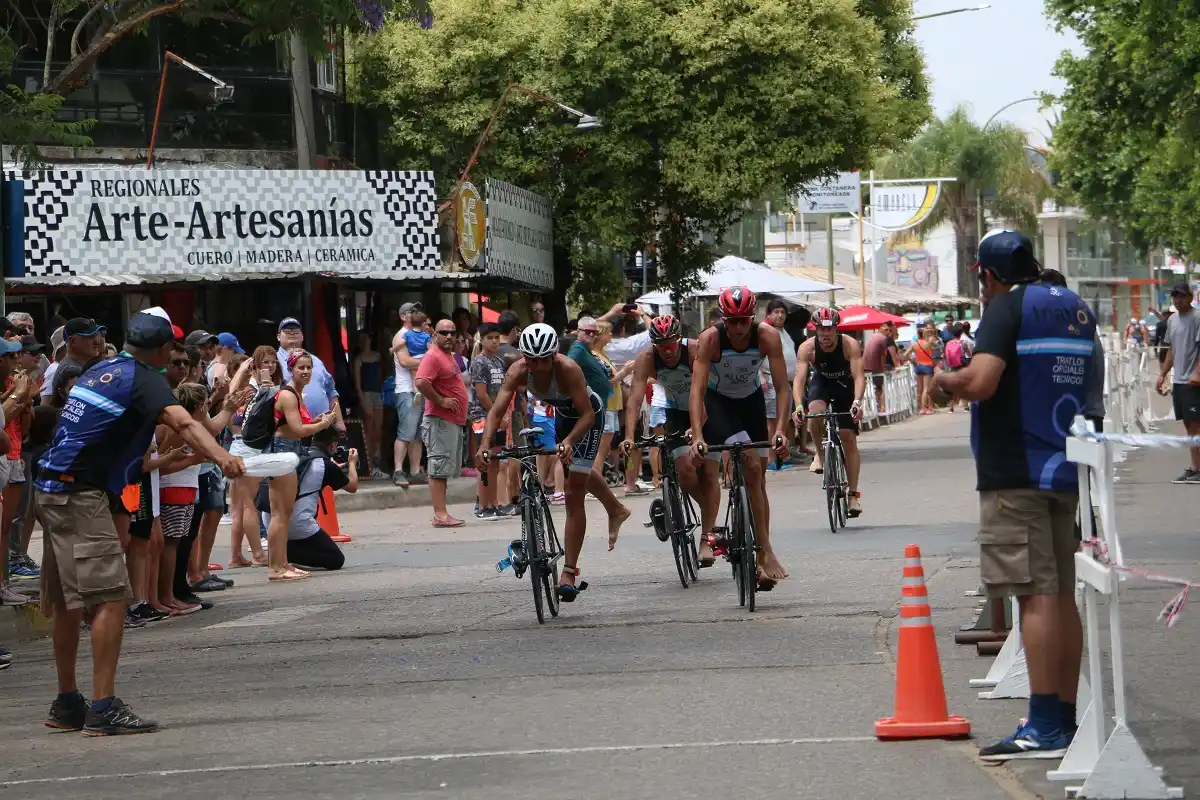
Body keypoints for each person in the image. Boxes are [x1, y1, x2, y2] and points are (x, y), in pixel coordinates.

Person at [36, 308, 245, 736]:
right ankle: (103, 707)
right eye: (175, 353)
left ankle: (67, 702)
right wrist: (223, 457)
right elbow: (184, 421)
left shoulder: (103, 368)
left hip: (51, 489)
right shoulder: (145, 379)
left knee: (65, 600)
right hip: (80, 493)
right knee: (111, 598)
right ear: (164, 350)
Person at [935, 230, 1097, 761]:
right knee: (1061, 595)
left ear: (987, 274)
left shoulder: (1005, 309)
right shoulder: (1074, 307)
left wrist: (945, 379)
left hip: (1015, 471)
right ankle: (1064, 718)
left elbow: (982, 382)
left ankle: (1045, 723)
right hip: (1065, 465)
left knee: (1034, 594)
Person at [474, 323, 630, 600]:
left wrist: (569, 442)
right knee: (577, 473)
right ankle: (615, 508)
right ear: (524, 357)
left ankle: (569, 571)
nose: (539, 366)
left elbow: (587, 415)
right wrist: (484, 444)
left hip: (587, 416)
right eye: (532, 360)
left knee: (573, 489)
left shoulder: (568, 369)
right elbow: (498, 408)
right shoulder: (518, 370)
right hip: (561, 416)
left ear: (554, 355)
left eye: (544, 359)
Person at [688, 287, 791, 588]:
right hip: (718, 403)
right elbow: (696, 390)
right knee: (751, 463)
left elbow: (783, 388)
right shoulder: (710, 339)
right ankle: (760, 549)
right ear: (723, 320)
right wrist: (696, 434)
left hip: (751, 402)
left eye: (744, 320)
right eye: (732, 321)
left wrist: (781, 430)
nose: (738, 328)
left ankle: (762, 554)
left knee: (759, 480)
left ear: (752, 318)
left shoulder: (767, 336)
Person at [265, 351, 339, 580]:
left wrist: (316, 421)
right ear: (291, 370)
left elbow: (297, 425)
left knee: (285, 512)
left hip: (290, 451)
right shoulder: (288, 395)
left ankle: (283, 563)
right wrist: (323, 424)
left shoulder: (296, 394)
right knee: (280, 513)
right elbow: (297, 430)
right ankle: (275, 567)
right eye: (301, 368)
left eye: (309, 368)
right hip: (283, 451)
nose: (306, 372)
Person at [791, 308, 867, 517]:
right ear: (815, 329)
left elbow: (860, 376)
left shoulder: (849, 344)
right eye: (821, 330)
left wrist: (857, 402)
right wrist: (798, 406)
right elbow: (799, 379)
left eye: (829, 329)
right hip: (822, 383)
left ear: (836, 328)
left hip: (845, 386)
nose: (825, 334)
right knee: (814, 412)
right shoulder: (807, 348)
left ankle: (853, 495)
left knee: (847, 437)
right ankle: (820, 453)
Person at [619, 315, 700, 509]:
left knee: (709, 470)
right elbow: (634, 400)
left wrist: (697, 428)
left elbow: (707, 391)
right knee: (684, 469)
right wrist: (629, 436)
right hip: (675, 410)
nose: (667, 350)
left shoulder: (693, 350)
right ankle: (703, 505)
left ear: (679, 340)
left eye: (671, 344)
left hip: (703, 406)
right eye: (660, 345)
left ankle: (708, 519)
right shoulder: (646, 358)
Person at [261, 425, 357, 571]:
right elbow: (352, 486)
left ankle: (279, 552)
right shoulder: (325, 465)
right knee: (336, 559)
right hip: (297, 524)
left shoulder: (297, 455)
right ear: (333, 445)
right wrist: (352, 463)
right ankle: (285, 556)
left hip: (270, 520)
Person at [415, 319, 470, 528]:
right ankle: (440, 515)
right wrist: (441, 400)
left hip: (450, 421)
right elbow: (421, 382)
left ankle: (443, 512)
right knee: (438, 468)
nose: (449, 336)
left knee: (443, 468)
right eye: (443, 332)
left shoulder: (447, 355)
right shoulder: (433, 356)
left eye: (452, 332)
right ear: (434, 335)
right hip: (440, 421)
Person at [226, 347, 278, 568]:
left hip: (241, 448)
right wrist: (246, 371)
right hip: (246, 450)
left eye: (273, 362)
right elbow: (231, 397)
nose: (270, 366)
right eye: (265, 362)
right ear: (254, 366)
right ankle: (257, 553)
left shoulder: (259, 387)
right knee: (248, 504)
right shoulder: (251, 389)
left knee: (239, 507)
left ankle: (236, 556)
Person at [1156, 282, 1200, 484]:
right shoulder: (1172, 320)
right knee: (1188, 426)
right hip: (1180, 381)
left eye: (1181, 296)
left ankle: (1196, 469)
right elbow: (1172, 350)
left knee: (1195, 427)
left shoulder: (1198, 318)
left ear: (1190, 297)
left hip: (1194, 382)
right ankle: (1195, 467)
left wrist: (1198, 373)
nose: (1178, 299)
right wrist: (1163, 374)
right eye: (1175, 296)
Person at [276, 317, 344, 446]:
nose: (292, 332)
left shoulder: (316, 361)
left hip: (323, 431)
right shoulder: (273, 361)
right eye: (287, 330)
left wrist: (339, 422)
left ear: (302, 336)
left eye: (296, 330)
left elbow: (331, 392)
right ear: (279, 337)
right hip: (291, 436)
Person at [468, 323, 507, 519]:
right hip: (482, 416)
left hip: (497, 416)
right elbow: (482, 395)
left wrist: (503, 414)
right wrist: (497, 414)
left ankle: (493, 502)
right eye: (490, 337)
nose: (494, 341)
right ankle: (483, 505)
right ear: (481, 339)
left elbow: (502, 392)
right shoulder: (479, 362)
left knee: (495, 462)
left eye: (497, 337)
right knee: (484, 460)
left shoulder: (499, 362)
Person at [390, 304, 426, 486]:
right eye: (412, 312)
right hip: (405, 390)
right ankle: (398, 470)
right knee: (406, 432)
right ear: (403, 316)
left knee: (418, 433)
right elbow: (404, 361)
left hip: (419, 389)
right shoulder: (401, 336)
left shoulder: (419, 334)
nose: (415, 315)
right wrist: (429, 362)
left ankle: (414, 470)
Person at [761, 299, 798, 471]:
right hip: (770, 380)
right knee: (772, 420)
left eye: (782, 312)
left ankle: (783, 454)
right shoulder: (764, 330)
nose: (780, 315)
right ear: (768, 314)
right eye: (776, 312)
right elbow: (758, 357)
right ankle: (770, 458)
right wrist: (760, 374)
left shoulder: (783, 332)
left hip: (786, 382)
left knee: (786, 419)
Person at [352, 331, 387, 478]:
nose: (364, 341)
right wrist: (362, 400)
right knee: (369, 429)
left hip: (378, 393)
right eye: (361, 339)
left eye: (365, 338)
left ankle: (376, 461)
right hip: (366, 394)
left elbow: (382, 375)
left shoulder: (378, 357)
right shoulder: (358, 359)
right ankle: (369, 465)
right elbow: (358, 384)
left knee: (378, 430)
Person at [863, 321, 902, 413]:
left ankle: (878, 407)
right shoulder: (883, 339)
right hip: (875, 367)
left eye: (889, 330)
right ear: (881, 329)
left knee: (877, 388)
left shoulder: (873, 336)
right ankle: (882, 407)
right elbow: (883, 356)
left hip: (866, 367)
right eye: (886, 330)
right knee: (882, 387)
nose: (888, 332)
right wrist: (884, 369)